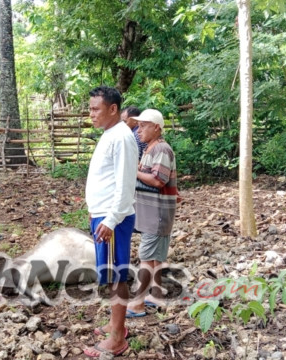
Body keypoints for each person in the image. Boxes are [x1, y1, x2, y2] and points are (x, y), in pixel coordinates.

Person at [83, 86, 138, 358]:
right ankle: (116, 325)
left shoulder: (122, 138)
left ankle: (117, 337)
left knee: (117, 275)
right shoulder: (110, 134)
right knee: (110, 273)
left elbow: (125, 185)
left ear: (113, 109)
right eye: (90, 109)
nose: (91, 114)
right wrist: (95, 211)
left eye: (96, 109)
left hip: (113, 218)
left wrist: (111, 219)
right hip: (103, 214)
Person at [124, 109, 179, 316]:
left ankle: (137, 303)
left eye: (143, 126)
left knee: (146, 257)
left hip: (157, 214)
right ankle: (156, 296)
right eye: (138, 126)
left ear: (156, 128)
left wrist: (132, 171)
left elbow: (158, 180)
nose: (138, 130)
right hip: (154, 213)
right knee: (155, 257)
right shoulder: (150, 148)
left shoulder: (161, 149)